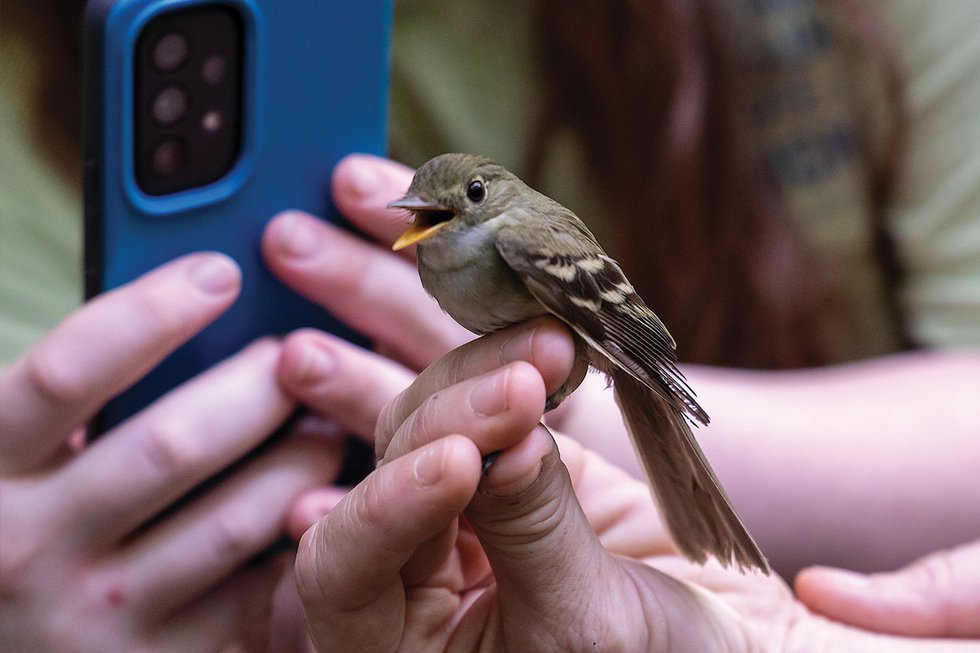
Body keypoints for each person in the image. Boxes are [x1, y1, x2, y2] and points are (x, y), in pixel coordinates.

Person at [2, 0, 979, 651]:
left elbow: (610, 324)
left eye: (462, 201)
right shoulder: (28, 92)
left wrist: (572, 416)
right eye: (426, 214)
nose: (437, 224)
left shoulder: (526, 241)